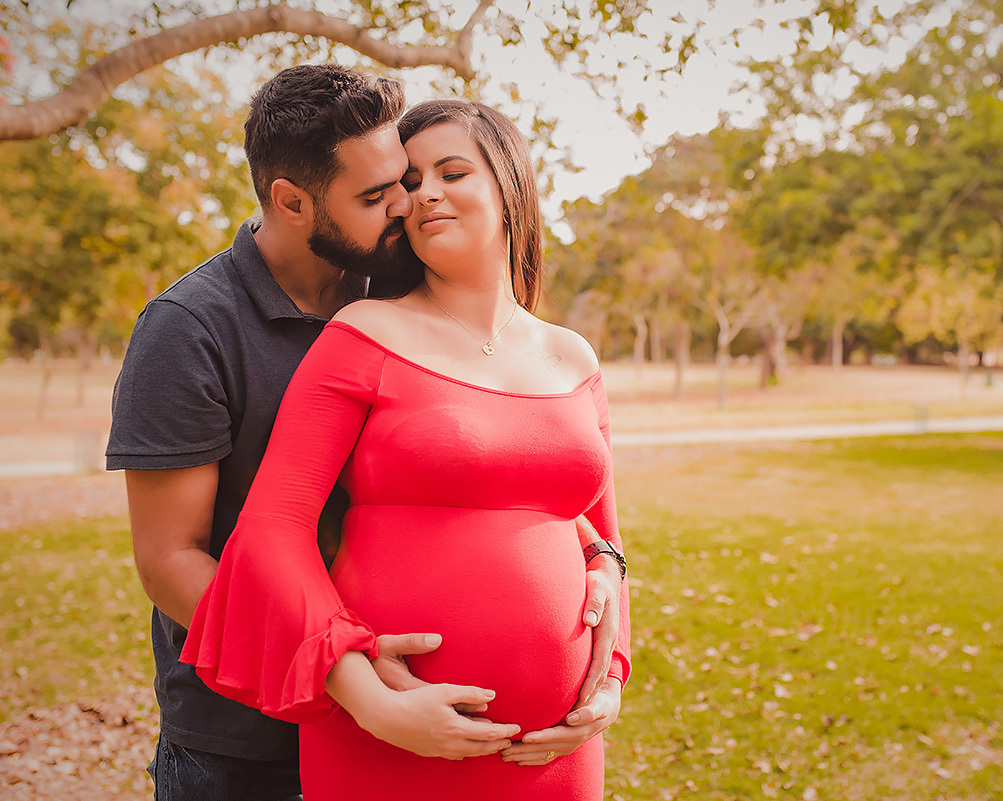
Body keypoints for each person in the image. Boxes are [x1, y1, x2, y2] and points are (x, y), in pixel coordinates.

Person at [107, 67, 622, 800]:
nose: (411, 202)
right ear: (291, 201)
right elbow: (169, 559)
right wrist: (350, 678)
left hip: (537, 745)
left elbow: (559, 505)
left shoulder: (390, 284)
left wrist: (606, 608)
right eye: (383, 192)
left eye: (424, 178)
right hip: (244, 730)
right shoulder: (192, 328)